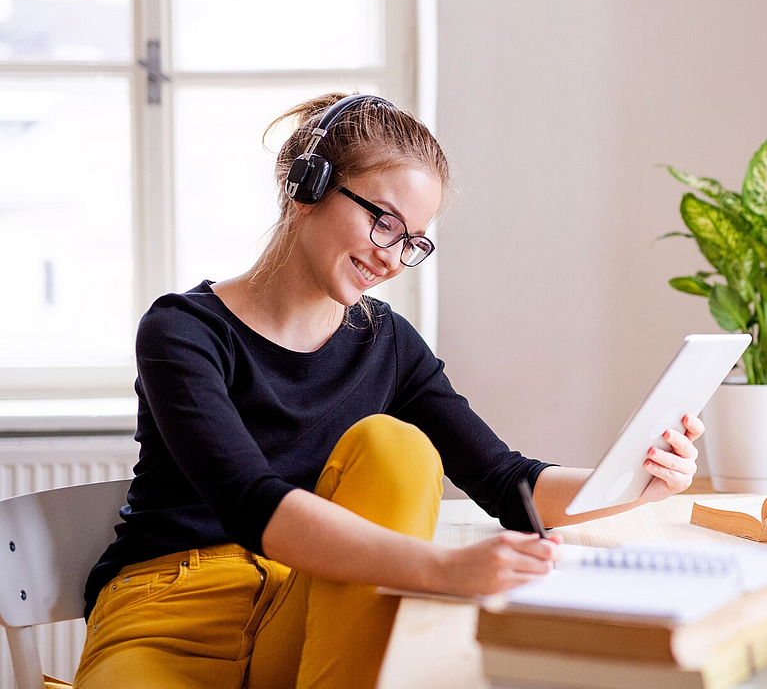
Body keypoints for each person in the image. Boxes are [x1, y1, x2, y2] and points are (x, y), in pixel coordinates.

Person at [68, 93, 703, 689]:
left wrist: (634, 480)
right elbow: (248, 500)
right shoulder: (183, 329)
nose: (393, 257)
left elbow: (510, 483)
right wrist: (445, 571)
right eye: (383, 221)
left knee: (394, 446)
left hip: (308, 604)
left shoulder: (388, 344)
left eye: (412, 240)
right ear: (307, 187)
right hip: (171, 609)